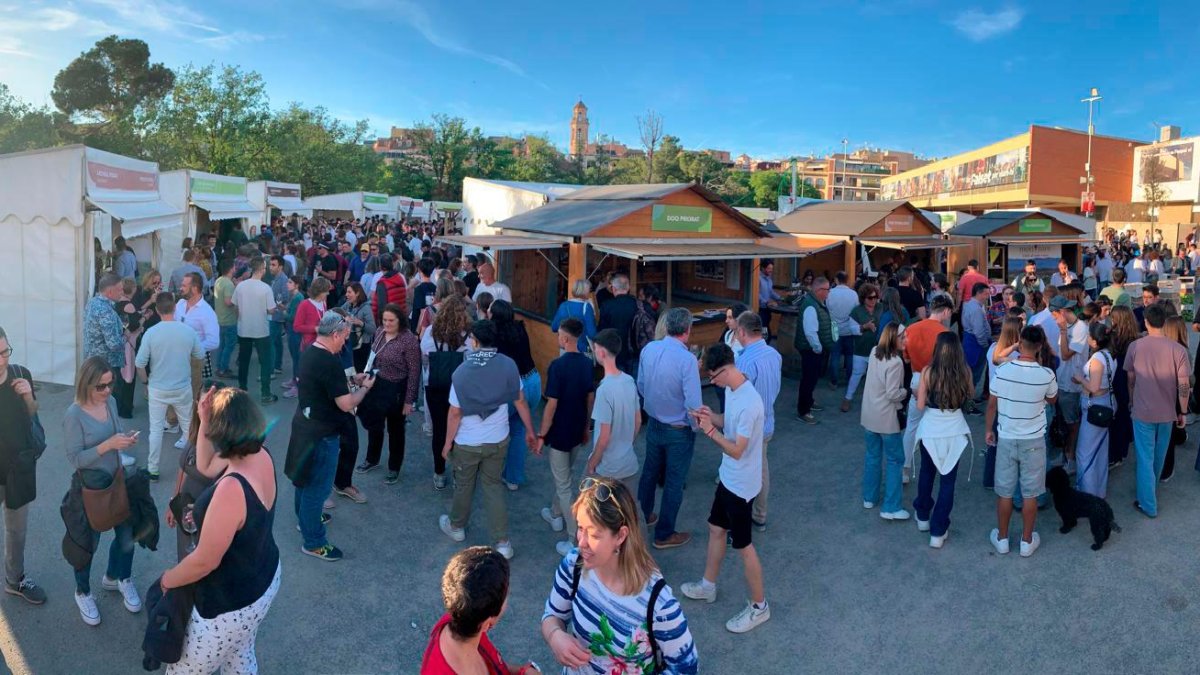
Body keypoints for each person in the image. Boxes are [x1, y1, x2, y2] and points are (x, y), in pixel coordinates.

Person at [159, 387, 281, 674]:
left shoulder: (231, 487)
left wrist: (167, 579)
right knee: (239, 655)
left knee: (184, 670)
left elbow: (205, 561)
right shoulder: (259, 454)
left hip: (229, 603)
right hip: (263, 579)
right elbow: (205, 465)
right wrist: (203, 419)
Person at [541, 478, 698, 673]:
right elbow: (552, 615)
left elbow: (686, 669)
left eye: (594, 535)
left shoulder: (659, 603)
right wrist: (555, 636)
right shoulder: (574, 565)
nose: (581, 542)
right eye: (580, 528)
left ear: (621, 536)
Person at [680, 344, 770, 633]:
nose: (712, 381)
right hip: (729, 478)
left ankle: (759, 606)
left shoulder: (749, 403)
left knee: (744, 546)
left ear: (725, 369)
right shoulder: (733, 391)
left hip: (741, 485)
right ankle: (708, 585)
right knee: (715, 528)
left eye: (713, 376)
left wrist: (709, 430)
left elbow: (737, 450)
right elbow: (727, 424)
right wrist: (712, 416)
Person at [439, 320, 536, 560]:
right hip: (498, 438)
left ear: (474, 340)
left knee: (464, 485)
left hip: (468, 441)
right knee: (493, 487)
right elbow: (520, 400)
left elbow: (455, 412)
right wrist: (530, 431)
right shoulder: (508, 365)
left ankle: (457, 526)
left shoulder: (462, 372)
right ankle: (502, 541)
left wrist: (447, 442)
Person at [286, 312, 375, 562]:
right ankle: (313, 541)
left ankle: (305, 519)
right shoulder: (329, 361)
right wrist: (365, 387)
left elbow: (327, 385)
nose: (345, 342)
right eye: (345, 337)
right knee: (318, 488)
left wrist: (350, 380)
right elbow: (347, 404)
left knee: (303, 479)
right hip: (323, 434)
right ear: (335, 334)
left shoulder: (311, 350)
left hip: (305, 425)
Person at [64, 357, 142, 625]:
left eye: (111, 384)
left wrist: (125, 440)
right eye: (101, 386)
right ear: (86, 384)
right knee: (87, 544)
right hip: (91, 490)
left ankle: (118, 577)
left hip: (117, 481)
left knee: (127, 536)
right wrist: (107, 445)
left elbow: (117, 432)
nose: (108, 390)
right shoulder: (74, 415)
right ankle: (82, 591)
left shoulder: (110, 402)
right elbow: (75, 459)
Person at [986, 326, 1058, 557]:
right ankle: (1027, 541)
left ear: (1020, 343)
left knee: (1005, 492)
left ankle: (1003, 538)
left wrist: (989, 429)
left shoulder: (1003, 370)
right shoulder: (1046, 374)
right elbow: (1053, 399)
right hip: (1034, 439)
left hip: (1007, 436)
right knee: (1030, 493)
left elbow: (991, 404)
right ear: (1040, 347)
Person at [638, 308, 703, 550]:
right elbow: (694, 402)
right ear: (687, 330)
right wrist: (695, 427)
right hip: (678, 429)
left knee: (649, 473)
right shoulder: (687, 360)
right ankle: (664, 534)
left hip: (655, 423)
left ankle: (643, 517)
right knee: (674, 481)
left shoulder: (649, 349)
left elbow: (642, 385)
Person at [535, 318, 596, 557]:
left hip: (559, 430)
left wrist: (542, 434)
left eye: (559, 334)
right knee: (565, 475)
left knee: (564, 484)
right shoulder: (587, 363)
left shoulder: (557, 366)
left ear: (566, 338)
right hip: (577, 426)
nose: (558, 337)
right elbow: (590, 397)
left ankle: (574, 537)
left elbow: (551, 405)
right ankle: (555, 513)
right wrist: (586, 426)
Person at [422, 546, 535, 675]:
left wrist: (524, 671)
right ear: (487, 624)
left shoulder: (463, 615)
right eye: (506, 595)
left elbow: (497, 667)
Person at [1124, 303, 1190, 518]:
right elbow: (1183, 386)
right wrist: (1183, 411)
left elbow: (1131, 379)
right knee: (1159, 456)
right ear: (1165, 321)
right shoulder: (1178, 350)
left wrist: (1132, 401)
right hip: (1167, 412)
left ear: (1146, 321)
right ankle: (1149, 492)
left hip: (1142, 411)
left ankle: (1148, 503)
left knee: (1144, 457)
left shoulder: (1135, 347)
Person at [911, 333, 973, 549]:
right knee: (948, 481)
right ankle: (938, 531)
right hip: (954, 429)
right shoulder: (965, 372)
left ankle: (922, 515)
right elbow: (970, 395)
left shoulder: (928, 372)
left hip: (931, 429)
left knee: (927, 472)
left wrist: (919, 394)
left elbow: (920, 406)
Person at [135, 293, 204, 480]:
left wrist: (146, 383)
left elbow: (140, 363)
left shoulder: (151, 333)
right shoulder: (187, 331)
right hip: (182, 387)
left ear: (157, 310)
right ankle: (197, 464)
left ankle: (153, 469)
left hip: (158, 388)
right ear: (175, 308)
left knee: (156, 430)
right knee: (189, 428)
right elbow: (199, 354)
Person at [0, 328, 46, 604]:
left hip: (18, 470)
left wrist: (28, 396)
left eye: (5, 351)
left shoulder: (20, 374)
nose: (2, 360)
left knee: (17, 531)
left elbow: (33, 414)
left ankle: (14, 580)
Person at [355, 304, 420, 484]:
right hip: (376, 384)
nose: (387, 324)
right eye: (384, 320)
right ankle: (372, 459)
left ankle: (394, 467)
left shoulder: (409, 340)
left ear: (400, 320)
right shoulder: (379, 332)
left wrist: (409, 401)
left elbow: (415, 372)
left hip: (396, 388)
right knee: (374, 425)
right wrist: (366, 374)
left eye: (391, 320)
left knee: (396, 430)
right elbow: (373, 356)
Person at [584, 328, 641, 500]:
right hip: (629, 462)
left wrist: (592, 463)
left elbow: (604, 437)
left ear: (601, 352)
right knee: (632, 512)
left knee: (603, 514)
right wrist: (625, 444)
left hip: (608, 468)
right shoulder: (629, 381)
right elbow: (637, 421)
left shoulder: (604, 390)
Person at [860, 322, 909, 521]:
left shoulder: (874, 352)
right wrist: (907, 392)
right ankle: (891, 506)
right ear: (893, 339)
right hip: (887, 418)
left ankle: (869, 497)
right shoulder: (896, 362)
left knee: (872, 456)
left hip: (870, 414)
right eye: (903, 337)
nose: (906, 340)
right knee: (895, 460)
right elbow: (893, 394)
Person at [901, 295, 952, 481]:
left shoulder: (911, 329)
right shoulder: (945, 334)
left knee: (912, 425)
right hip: (939, 380)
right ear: (946, 311)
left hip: (916, 377)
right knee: (940, 425)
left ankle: (905, 468)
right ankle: (941, 464)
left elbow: (906, 358)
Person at [423, 297, 471, 491]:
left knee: (439, 431)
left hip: (435, 385)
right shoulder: (468, 335)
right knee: (459, 430)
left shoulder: (430, 332)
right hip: (459, 388)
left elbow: (425, 356)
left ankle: (439, 472)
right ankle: (458, 473)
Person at [84, 273, 134, 419]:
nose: (122, 292)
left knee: (95, 401)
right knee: (110, 405)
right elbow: (113, 344)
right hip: (108, 366)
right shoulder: (106, 311)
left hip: (93, 362)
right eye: (120, 289)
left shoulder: (92, 302)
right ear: (110, 291)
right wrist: (125, 337)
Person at [1074, 322, 1115, 497]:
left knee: (1085, 452)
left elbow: (1093, 386)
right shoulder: (1108, 355)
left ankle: (1087, 493)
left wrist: (1079, 379)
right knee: (1099, 451)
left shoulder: (1097, 359)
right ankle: (1098, 490)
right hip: (1105, 402)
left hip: (1094, 404)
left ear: (1094, 340)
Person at [232, 258, 277, 405]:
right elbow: (271, 309)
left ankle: (242, 389)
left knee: (243, 361)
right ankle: (265, 392)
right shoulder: (266, 288)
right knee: (265, 362)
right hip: (261, 329)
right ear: (262, 269)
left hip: (244, 328)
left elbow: (235, 306)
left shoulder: (240, 287)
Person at [1052, 295, 1089, 472]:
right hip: (1062, 382)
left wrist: (1063, 332)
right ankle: (1065, 455)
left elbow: (1066, 354)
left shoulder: (1080, 328)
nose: (1054, 319)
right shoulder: (1067, 326)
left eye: (1055, 315)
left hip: (1073, 385)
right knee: (1063, 423)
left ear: (1062, 312)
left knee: (1072, 424)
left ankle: (1071, 459)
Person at [794, 276, 833, 425]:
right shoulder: (811, 306)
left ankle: (809, 401)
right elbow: (810, 332)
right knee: (808, 379)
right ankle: (803, 410)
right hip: (811, 349)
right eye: (827, 289)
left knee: (812, 378)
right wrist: (818, 348)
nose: (829, 292)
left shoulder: (816, 303)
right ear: (819, 290)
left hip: (813, 349)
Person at [842, 283, 882, 412]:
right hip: (860, 350)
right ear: (863, 298)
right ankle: (847, 398)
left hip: (877, 350)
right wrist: (865, 327)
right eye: (870, 298)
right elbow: (852, 329)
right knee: (856, 375)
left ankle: (875, 403)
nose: (873, 300)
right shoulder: (856, 311)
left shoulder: (881, 308)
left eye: (875, 297)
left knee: (877, 377)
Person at [1108, 306, 1138, 469]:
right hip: (1128, 381)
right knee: (1124, 414)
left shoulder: (1116, 338)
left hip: (1120, 379)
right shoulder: (1134, 339)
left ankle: (1117, 454)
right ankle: (1124, 448)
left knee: (1118, 417)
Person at [597, 274, 639, 375]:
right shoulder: (638, 304)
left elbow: (602, 331)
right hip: (634, 351)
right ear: (628, 287)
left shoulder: (606, 306)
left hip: (614, 351)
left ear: (613, 288)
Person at [961, 282, 992, 409]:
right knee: (974, 374)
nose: (987, 296)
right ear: (978, 293)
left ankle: (968, 399)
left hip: (971, 342)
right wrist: (985, 345)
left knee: (971, 373)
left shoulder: (970, 305)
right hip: (976, 345)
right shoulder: (976, 309)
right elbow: (979, 331)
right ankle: (968, 403)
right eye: (986, 294)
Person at [826, 271, 859, 389]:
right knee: (850, 356)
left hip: (834, 328)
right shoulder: (854, 294)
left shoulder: (830, 293)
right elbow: (856, 311)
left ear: (836, 280)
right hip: (849, 328)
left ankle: (834, 382)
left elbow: (826, 308)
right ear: (847, 280)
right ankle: (850, 380)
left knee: (835, 355)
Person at [550, 280, 597, 355]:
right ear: (584, 291)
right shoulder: (587, 307)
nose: (589, 291)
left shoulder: (563, 305)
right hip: (581, 349)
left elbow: (554, 327)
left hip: (565, 348)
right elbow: (592, 334)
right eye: (589, 289)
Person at [341, 282, 377, 374]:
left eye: (349, 292)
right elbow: (338, 312)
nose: (346, 295)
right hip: (349, 344)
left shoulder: (366, 308)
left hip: (361, 346)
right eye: (346, 292)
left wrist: (360, 323)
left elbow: (373, 329)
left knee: (358, 371)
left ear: (357, 293)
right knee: (348, 371)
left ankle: (360, 388)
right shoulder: (348, 304)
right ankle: (351, 388)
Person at [212, 259, 239, 379]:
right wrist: (237, 300)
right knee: (229, 345)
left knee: (222, 345)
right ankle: (223, 368)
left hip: (220, 318)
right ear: (231, 268)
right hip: (229, 320)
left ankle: (219, 367)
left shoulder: (219, 280)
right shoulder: (228, 284)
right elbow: (228, 302)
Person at [293, 277, 331, 352]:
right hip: (309, 345)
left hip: (322, 343)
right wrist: (315, 329)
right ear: (319, 291)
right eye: (326, 291)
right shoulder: (304, 304)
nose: (328, 293)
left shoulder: (323, 303)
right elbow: (296, 327)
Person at [757, 260, 783, 337]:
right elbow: (756, 294)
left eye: (772, 268)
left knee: (766, 327)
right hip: (760, 309)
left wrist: (780, 298)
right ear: (762, 268)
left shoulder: (769, 279)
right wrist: (766, 302)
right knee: (763, 328)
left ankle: (765, 342)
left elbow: (771, 292)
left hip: (767, 309)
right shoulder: (758, 279)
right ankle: (763, 344)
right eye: (769, 268)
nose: (771, 270)